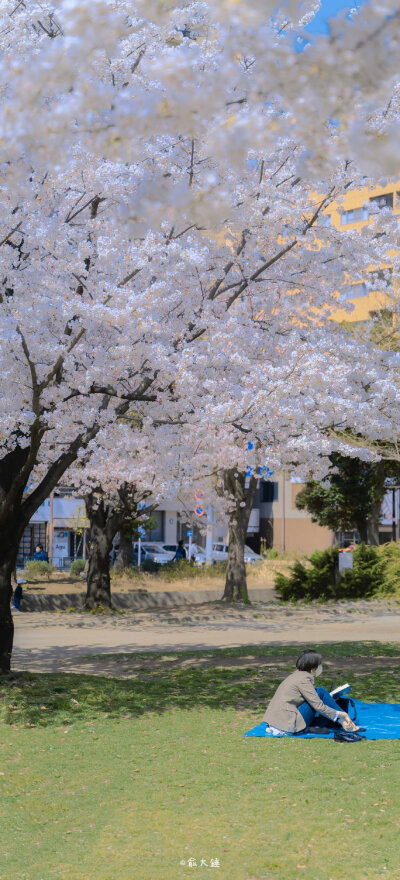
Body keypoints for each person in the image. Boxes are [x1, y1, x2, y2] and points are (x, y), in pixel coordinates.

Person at [262, 649, 360, 736]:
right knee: (321, 691)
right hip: (285, 725)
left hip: (276, 722)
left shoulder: (296, 676)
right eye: (319, 664)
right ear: (313, 667)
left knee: (320, 694)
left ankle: (341, 722)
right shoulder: (303, 680)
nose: (320, 667)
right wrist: (342, 714)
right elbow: (318, 707)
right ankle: (346, 722)